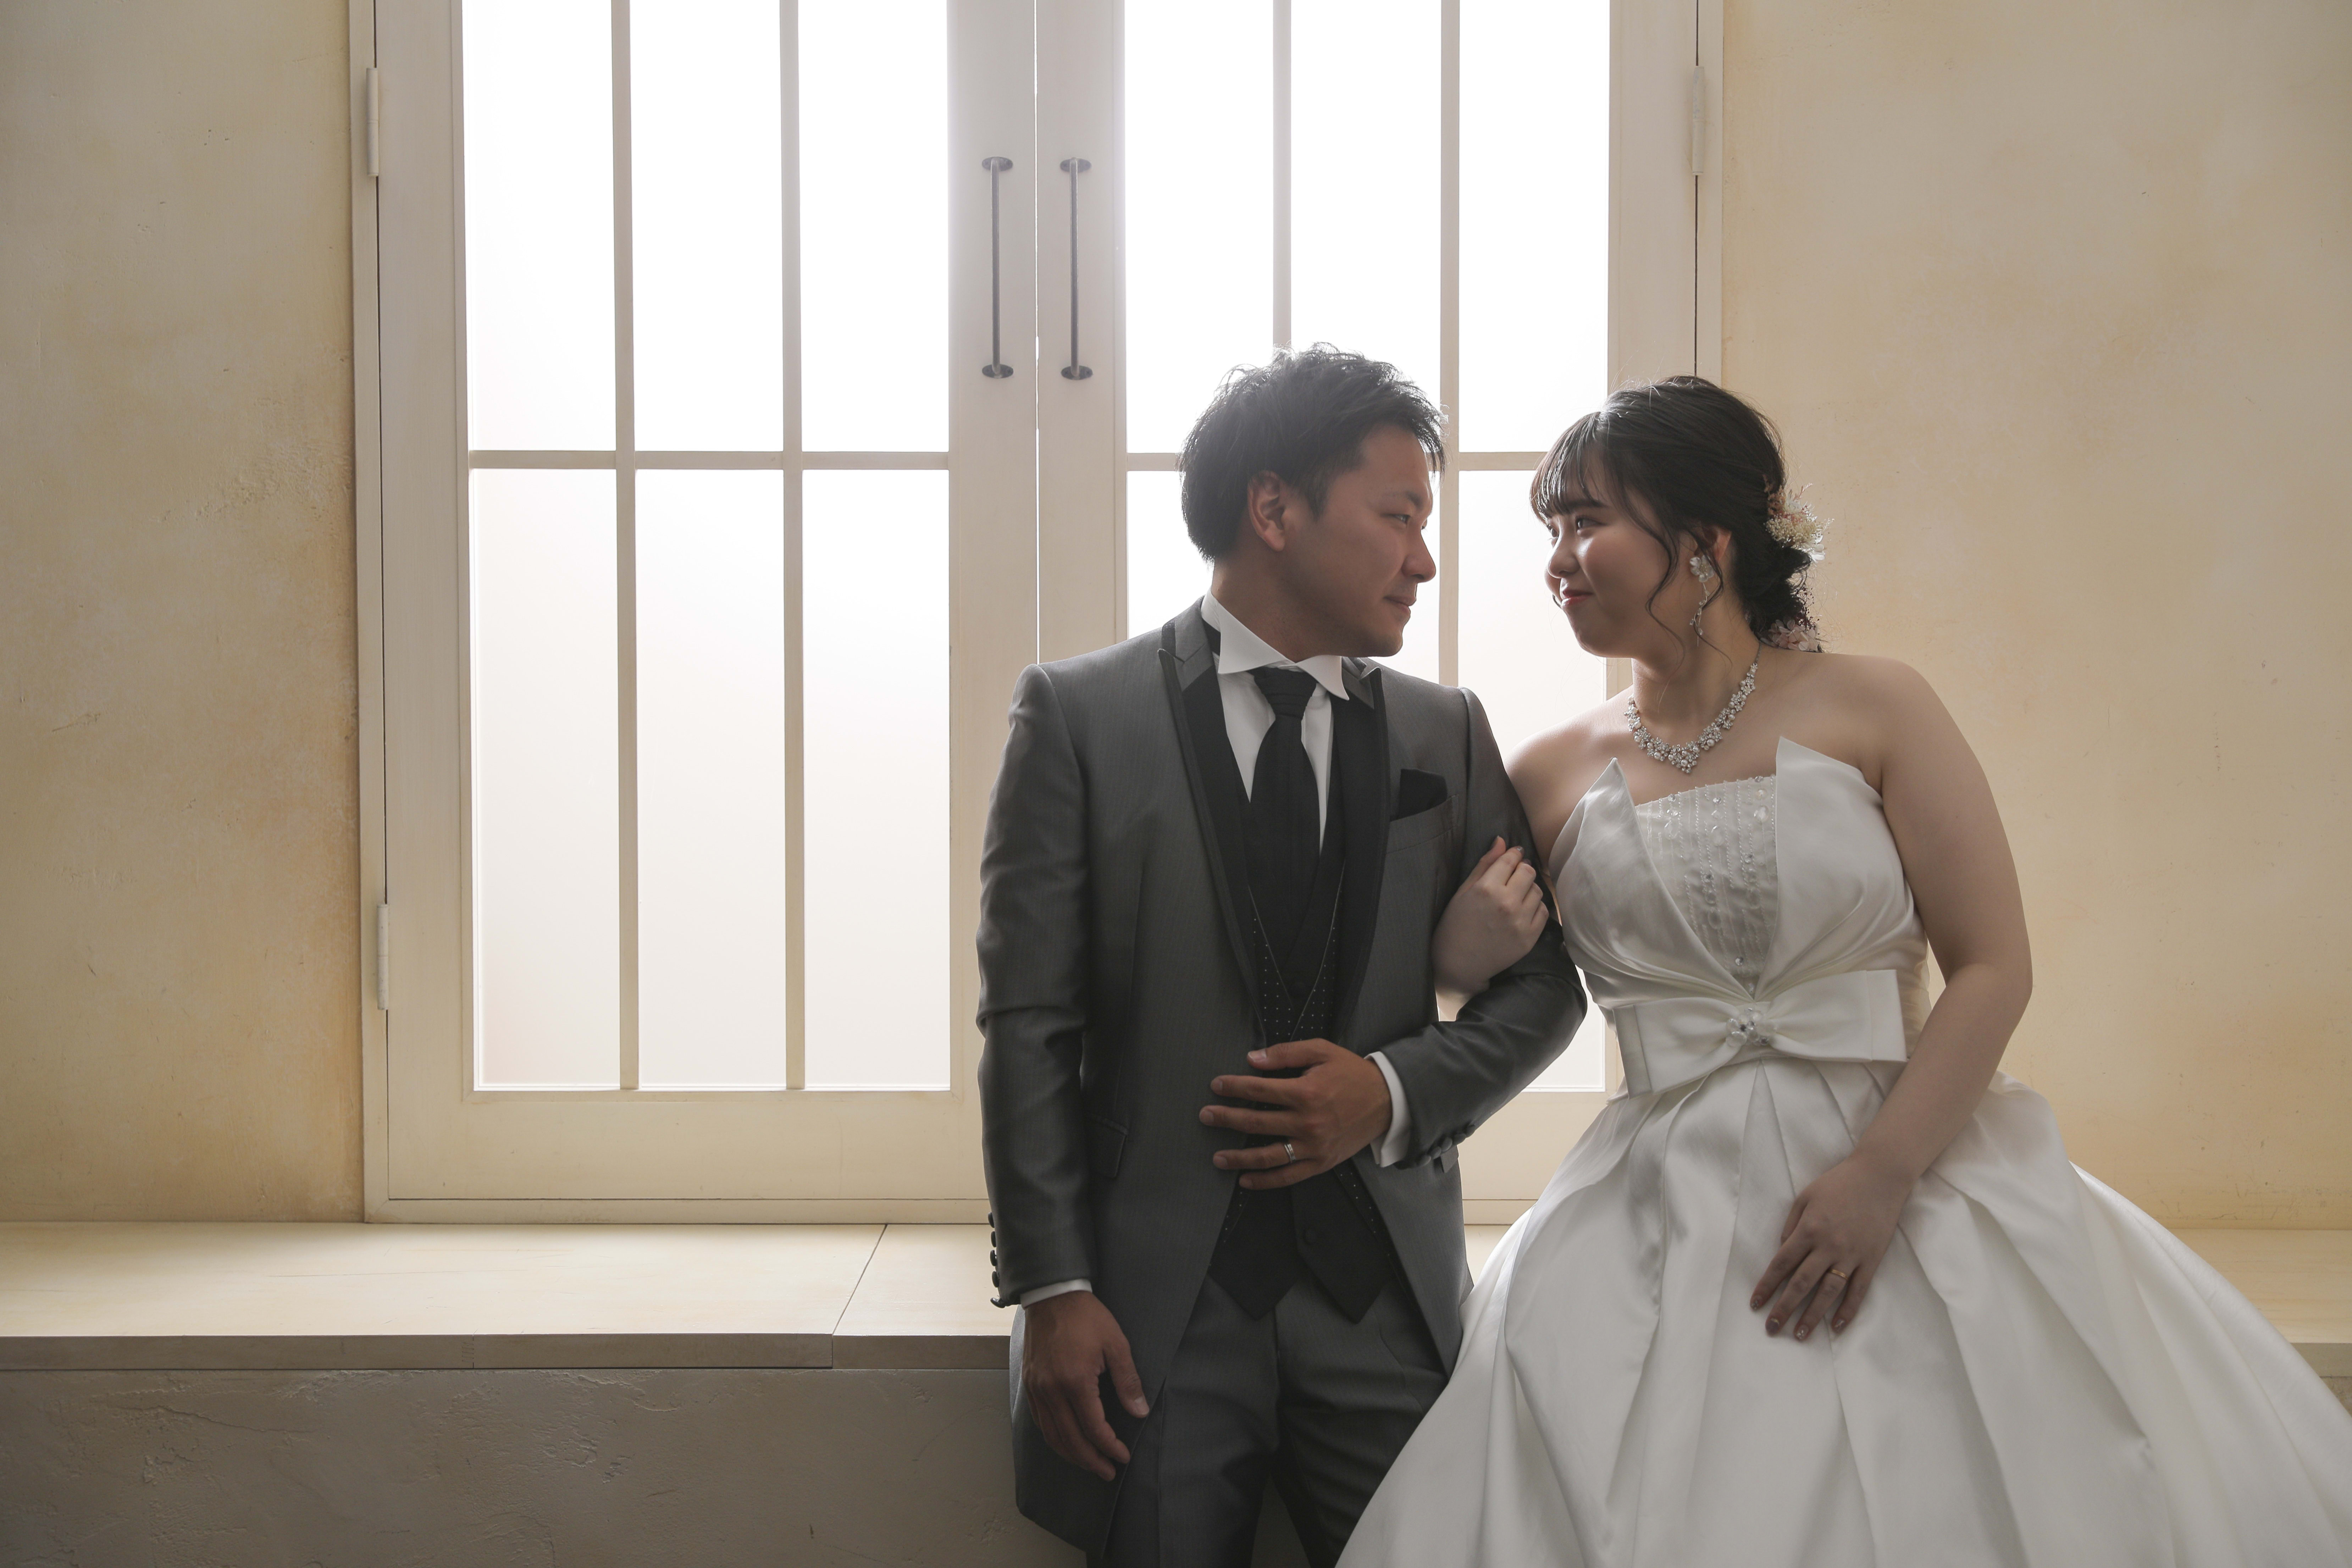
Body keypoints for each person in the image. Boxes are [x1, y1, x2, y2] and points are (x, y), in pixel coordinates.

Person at [1340, 376, 2352, 1567]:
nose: (1559, 561)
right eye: (1551, 530)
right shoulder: (1546, 769)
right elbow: (1504, 990)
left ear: (1708, 540)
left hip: (1911, 1166)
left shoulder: (1878, 705)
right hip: (1648, 1210)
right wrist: (1462, 950)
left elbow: (1994, 966)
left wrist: (1882, 1174)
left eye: (1587, 522)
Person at [976, 346, 1585, 1567]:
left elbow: (1544, 992)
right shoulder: (1078, 717)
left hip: (1384, 1301)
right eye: (1400, 517)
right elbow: (1028, 1023)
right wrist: (1053, 1289)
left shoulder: (1445, 732)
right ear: (1274, 509)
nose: (1424, 560)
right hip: (1155, 1316)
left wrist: (1392, 1090)